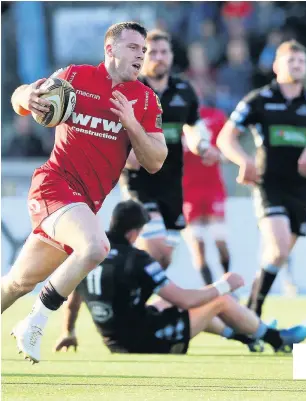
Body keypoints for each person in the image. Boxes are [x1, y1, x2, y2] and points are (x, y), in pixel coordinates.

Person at [1, 22, 168, 363]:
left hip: (83, 205)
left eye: (143, 50)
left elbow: (156, 161)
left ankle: (30, 314)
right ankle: (35, 321)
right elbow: (22, 96)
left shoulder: (146, 99)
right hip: (54, 184)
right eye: (134, 47)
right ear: (110, 49)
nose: (141, 54)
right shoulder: (76, 77)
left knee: (16, 283)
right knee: (96, 247)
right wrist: (25, 96)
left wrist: (132, 123)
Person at [53, 200, 306, 355]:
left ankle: (248, 337)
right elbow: (185, 299)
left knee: (167, 306)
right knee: (218, 302)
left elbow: (74, 298)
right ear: (135, 233)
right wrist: (224, 285)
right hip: (141, 342)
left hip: (113, 340)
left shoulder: (92, 252)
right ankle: (277, 340)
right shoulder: (137, 259)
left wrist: (69, 331)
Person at [217, 40, 306, 318]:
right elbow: (225, 138)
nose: (297, 66)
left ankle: (250, 310)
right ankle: (253, 311)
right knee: (278, 251)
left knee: (275, 257)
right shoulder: (259, 100)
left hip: (301, 188)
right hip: (269, 185)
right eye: (291, 61)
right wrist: (244, 160)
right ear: (277, 66)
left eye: (301, 61)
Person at [120, 30, 217, 269]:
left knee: (163, 260)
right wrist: (125, 154)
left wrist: (202, 145)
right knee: (156, 247)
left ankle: (131, 293)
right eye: (152, 52)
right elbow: (112, 132)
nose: (159, 57)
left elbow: (194, 127)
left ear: (172, 56)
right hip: (140, 182)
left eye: (164, 52)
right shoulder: (129, 89)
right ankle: (116, 279)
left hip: (172, 182)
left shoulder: (184, 91)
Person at [182, 104, 230, 285]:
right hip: (187, 190)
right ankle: (210, 292)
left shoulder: (216, 116)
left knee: (220, 241)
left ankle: (228, 287)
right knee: (197, 245)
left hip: (212, 188)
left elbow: (228, 146)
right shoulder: (175, 116)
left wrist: (222, 156)